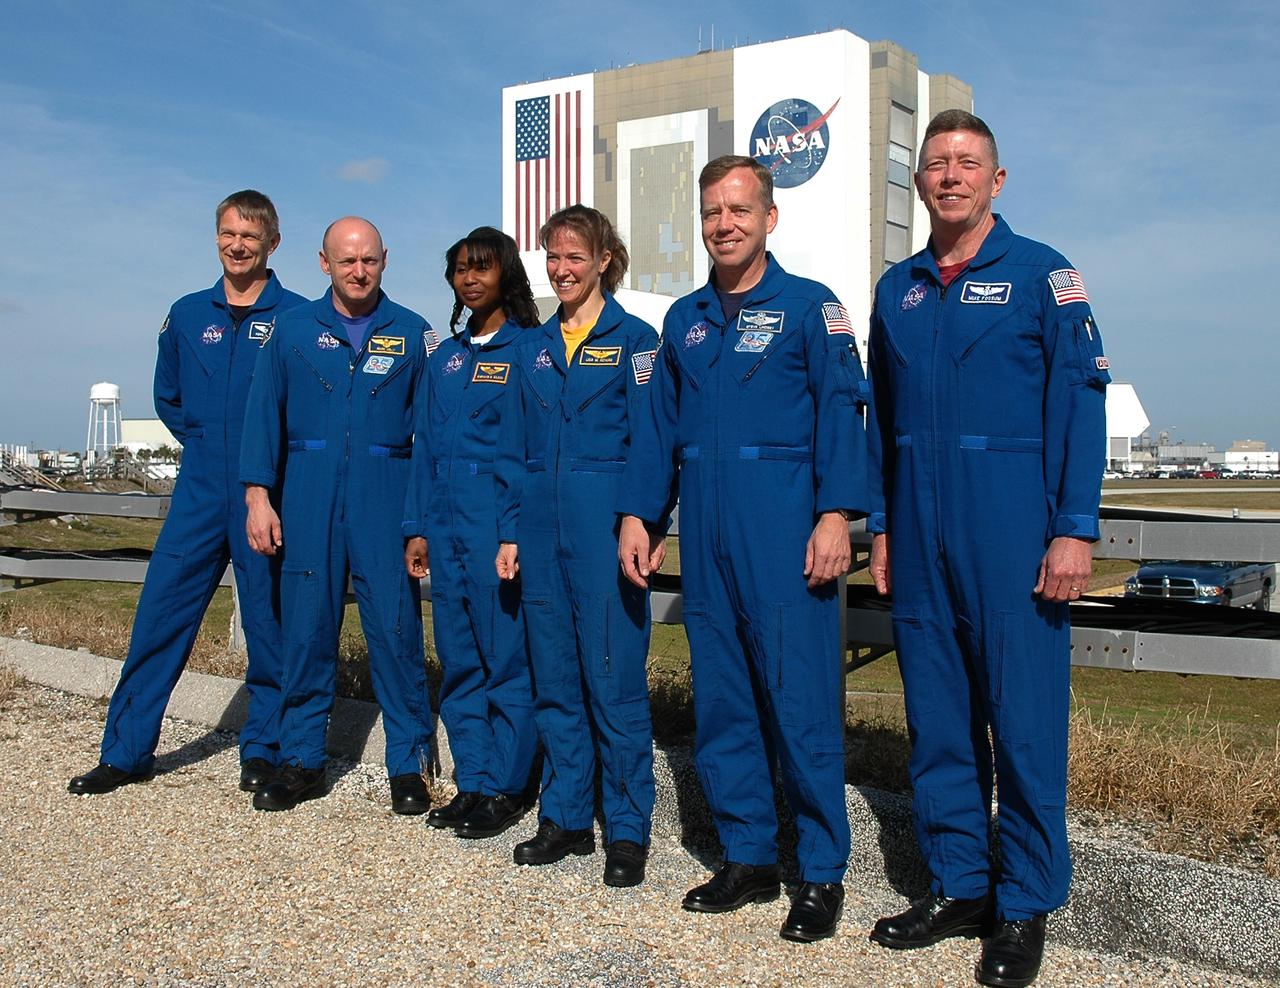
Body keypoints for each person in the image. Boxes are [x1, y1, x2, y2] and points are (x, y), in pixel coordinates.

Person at [864, 110, 1107, 988]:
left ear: (997, 181)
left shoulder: (1045, 275)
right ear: (919, 182)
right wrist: (884, 527)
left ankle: (1025, 901)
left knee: (1026, 725)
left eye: (968, 163)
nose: (951, 175)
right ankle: (961, 883)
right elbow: (881, 424)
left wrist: (1074, 527)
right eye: (937, 164)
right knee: (938, 726)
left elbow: (1081, 405)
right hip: (920, 532)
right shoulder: (898, 290)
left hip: (1012, 525)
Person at [618, 155, 869, 942]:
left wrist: (836, 516)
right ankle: (750, 857)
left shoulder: (809, 307)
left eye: (739, 210)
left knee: (800, 703)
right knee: (724, 701)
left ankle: (821, 872)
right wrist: (640, 515)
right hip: (709, 528)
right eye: (712, 213)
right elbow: (660, 425)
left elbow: (842, 411)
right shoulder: (685, 319)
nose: (724, 225)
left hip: (785, 529)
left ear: (769, 217)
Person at [69, 191, 305, 798]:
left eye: (250, 236)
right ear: (217, 237)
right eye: (228, 233)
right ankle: (126, 751)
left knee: (269, 623)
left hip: (267, 493)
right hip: (200, 490)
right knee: (160, 617)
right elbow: (168, 398)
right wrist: (206, 443)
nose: (237, 245)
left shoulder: (299, 319)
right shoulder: (185, 314)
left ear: (272, 244)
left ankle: (265, 748)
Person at [240, 216, 437, 814]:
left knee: (397, 632)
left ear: (385, 261)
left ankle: (409, 763)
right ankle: (302, 758)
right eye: (346, 260)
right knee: (305, 629)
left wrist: (418, 521)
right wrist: (257, 496)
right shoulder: (292, 331)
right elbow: (261, 418)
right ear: (323, 263)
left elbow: (429, 434)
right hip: (308, 495)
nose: (358, 271)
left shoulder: (412, 334)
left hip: (385, 496)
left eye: (369, 260)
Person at [494, 205, 659, 888]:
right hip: (538, 524)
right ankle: (565, 818)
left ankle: (626, 828)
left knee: (613, 679)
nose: (562, 270)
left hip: (604, 527)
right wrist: (508, 528)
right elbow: (512, 445)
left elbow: (651, 443)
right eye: (553, 258)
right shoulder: (530, 348)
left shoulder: (636, 340)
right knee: (554, 679)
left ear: (604, 260)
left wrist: (640, 518)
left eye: (575, 257)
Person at [403, 227, 541, 838]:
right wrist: (418, 528)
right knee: (458, 660)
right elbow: (425, 448)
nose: (470, 278)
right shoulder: (445, 360)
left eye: (482, 268)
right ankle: (473, 781)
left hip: (495, 526)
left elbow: (530, 453)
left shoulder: (530, 352)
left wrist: (513, 529)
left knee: (505, 659)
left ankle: (508, 786)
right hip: (445, 522)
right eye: (461, 269)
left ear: (505, 273)